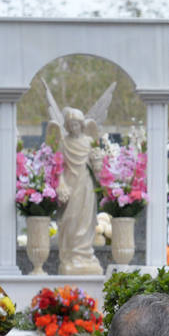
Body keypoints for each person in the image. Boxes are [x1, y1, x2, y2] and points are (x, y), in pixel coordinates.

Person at [55, 107, 104, 275]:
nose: (74, 127)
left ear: (82, 125)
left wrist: (98, 165)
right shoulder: (64, 142)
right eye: (71, 124)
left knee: (86, 220)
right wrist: (61, 184)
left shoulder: (89, 141)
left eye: (77, 124)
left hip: (87, 185)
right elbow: (58, 167)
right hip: (70, 184)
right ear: (67, 126)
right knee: (71, 220)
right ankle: (71, 255)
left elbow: (96, 166)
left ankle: (85, 255)